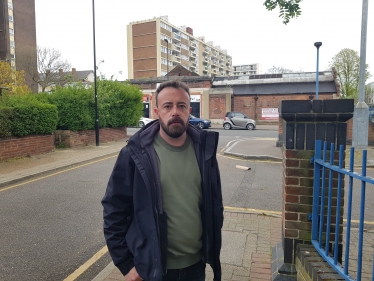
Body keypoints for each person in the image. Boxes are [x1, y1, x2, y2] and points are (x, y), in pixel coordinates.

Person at [102, 80, 223, 281]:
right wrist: (125, 264)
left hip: (196, 266)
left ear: (189, 110)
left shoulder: (204, 151)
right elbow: (114, 209)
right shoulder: (134, 154)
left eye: (181, 106)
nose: (175, 112)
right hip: (152, 269)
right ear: (157, 112)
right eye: (168, 106)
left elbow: (215, 204)